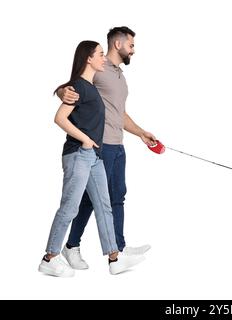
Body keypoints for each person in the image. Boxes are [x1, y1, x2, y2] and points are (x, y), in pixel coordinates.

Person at [39, 41, 145, 277]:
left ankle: (114, 258)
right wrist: (85, 140)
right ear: (88, 58)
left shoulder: (91, 88)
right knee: (70, 207)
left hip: (94, 155)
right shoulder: (78, 86)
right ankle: (50, 257)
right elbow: (60, 118)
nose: (103, 58)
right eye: (99, 54)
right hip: (79, 154)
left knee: (105, 206)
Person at [57, 27, 157, 269]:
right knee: (91, 201)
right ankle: (72, 246)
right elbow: (72, 86)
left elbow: (119, 113)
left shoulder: (118, 75)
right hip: (100, 145)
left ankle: (119, 248)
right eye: (131, 45)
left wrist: (141, 133)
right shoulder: (99, 70)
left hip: (118, 143)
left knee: (117, 196)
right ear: (118, 45)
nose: (134, 49)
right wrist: (62, 91)